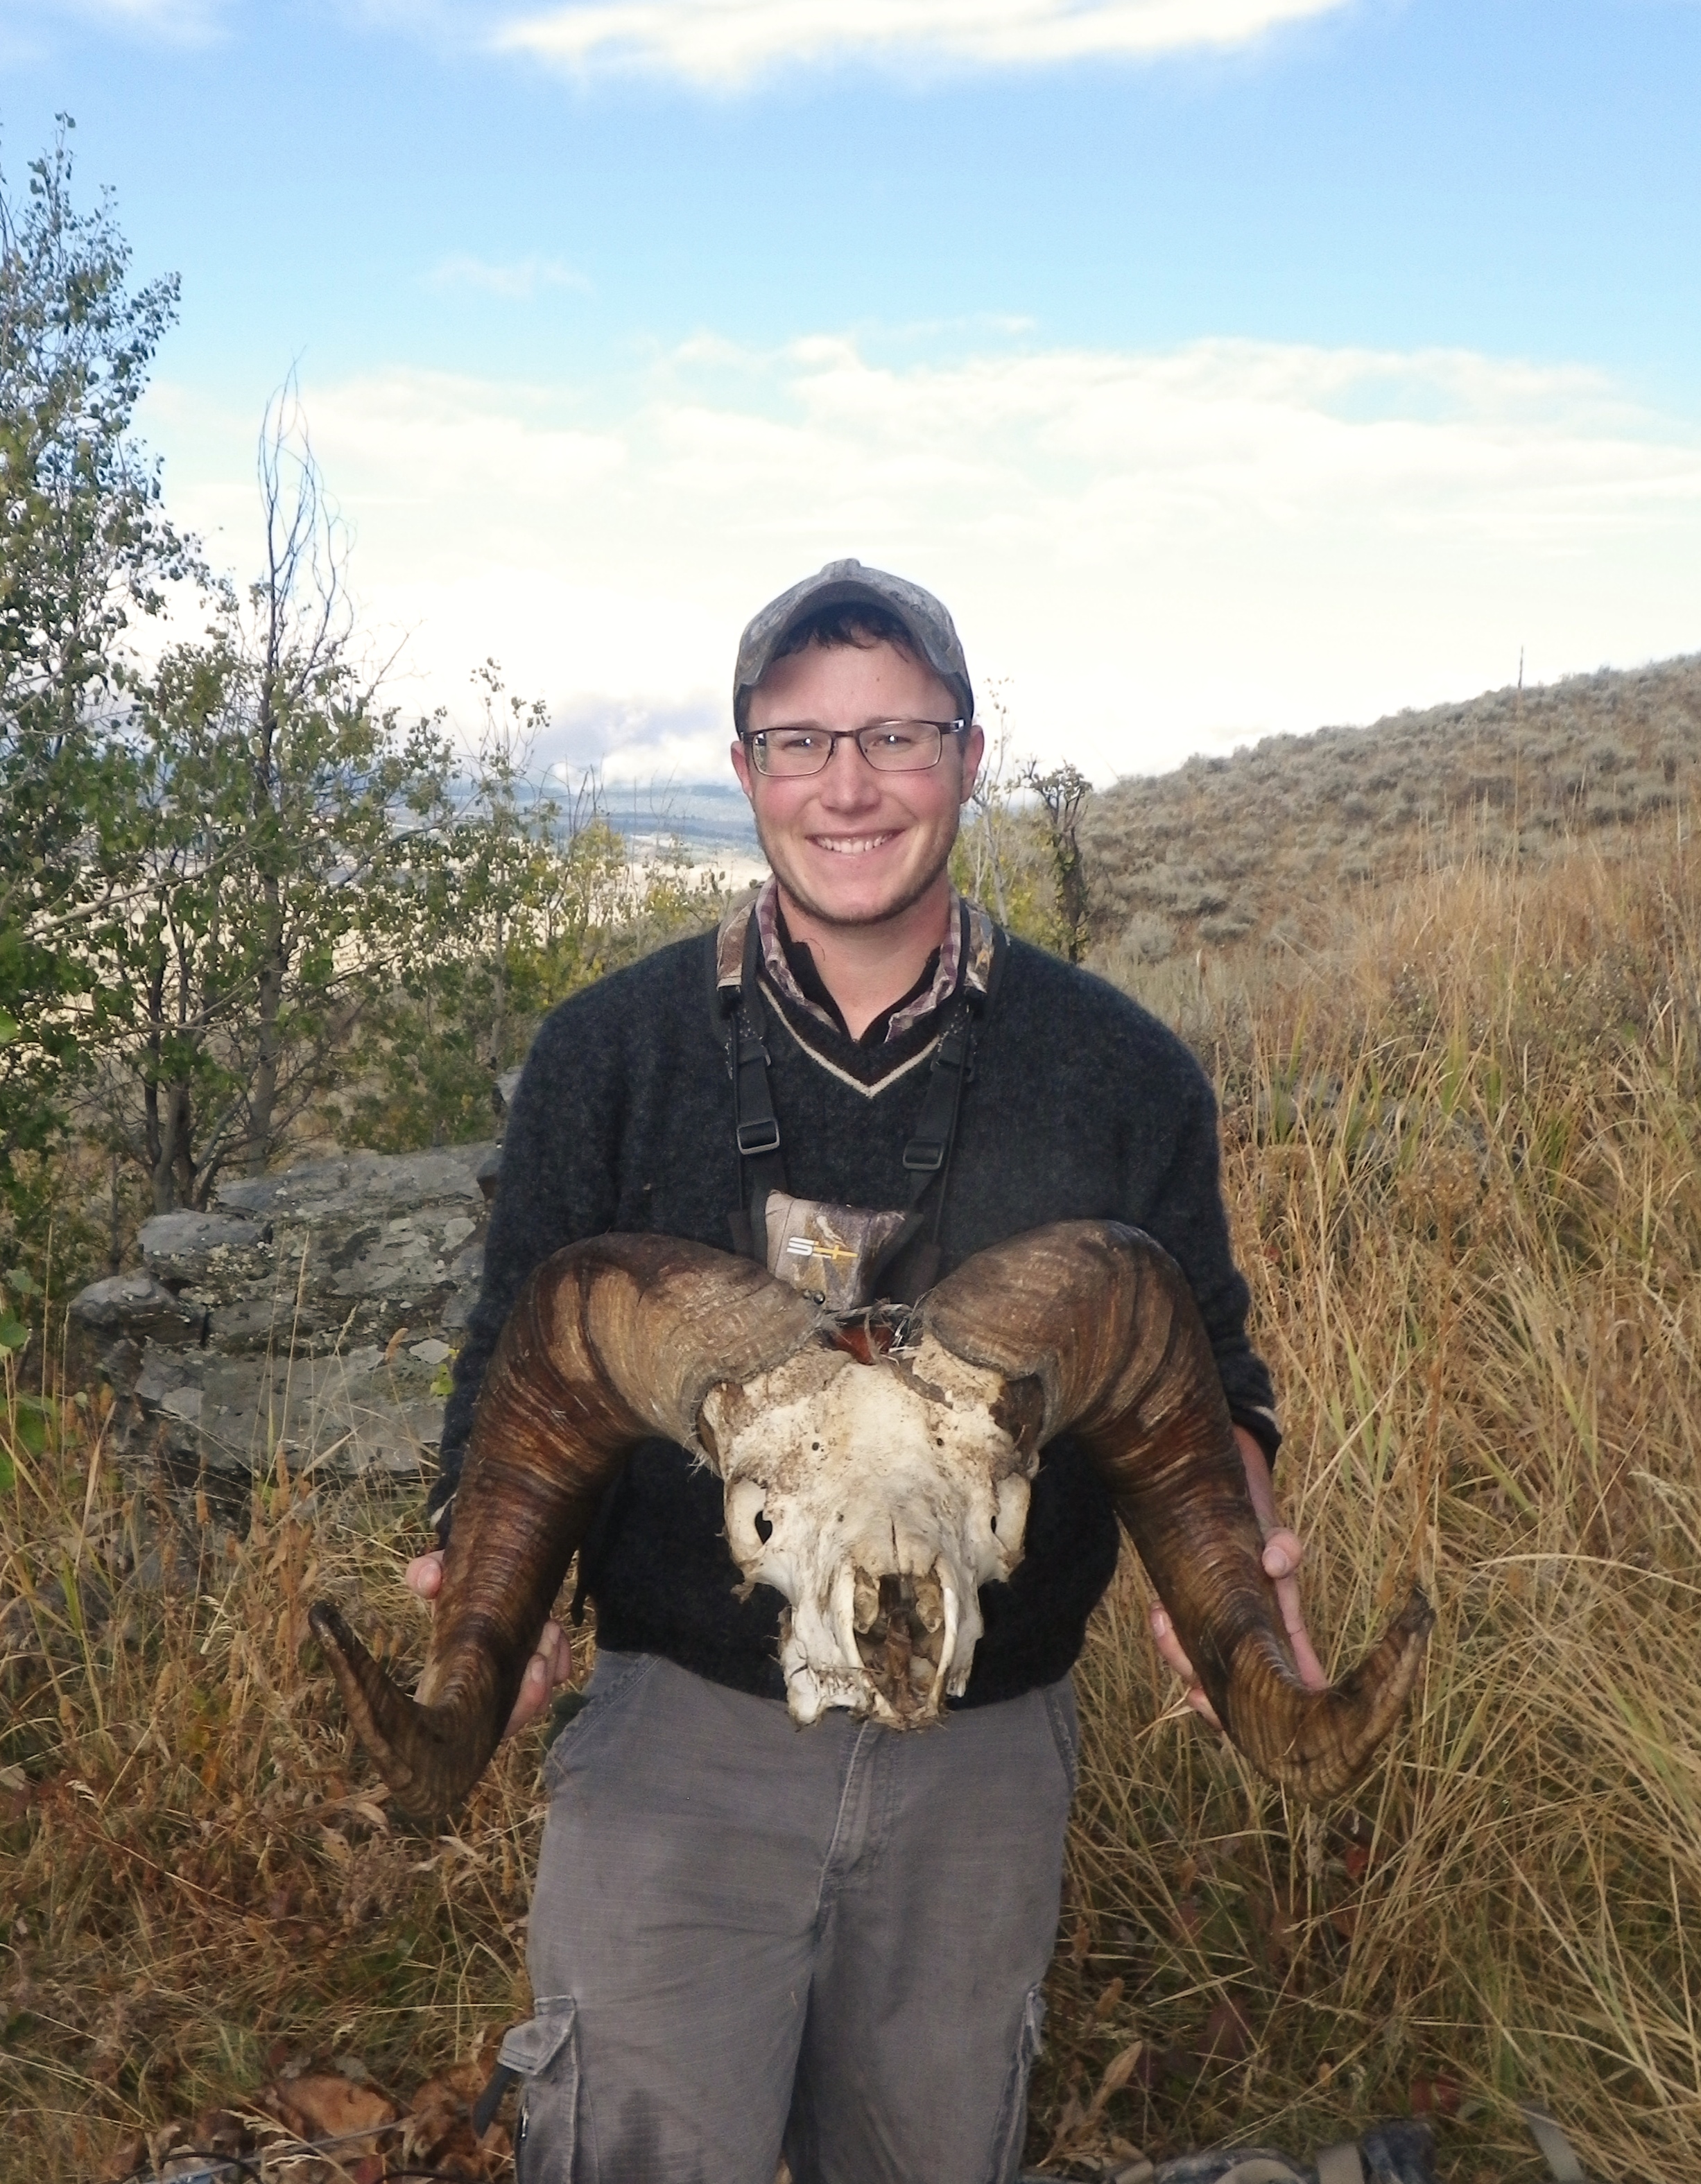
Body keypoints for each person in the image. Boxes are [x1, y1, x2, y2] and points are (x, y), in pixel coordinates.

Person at [408, 561, 1323, 2183]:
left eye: (898, 737)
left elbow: (1204, 1382)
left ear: (969, 758)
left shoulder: (1118, 1072)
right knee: (634, 2150)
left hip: (984, 1755)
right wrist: (488, 1604)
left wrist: (1237, 1585)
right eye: (801, 743)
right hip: (680, 1748)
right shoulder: (612, 1056)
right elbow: (519, 1365)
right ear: (746, 765)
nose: (850, 787)